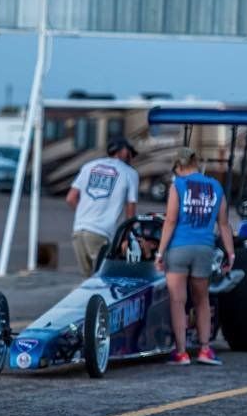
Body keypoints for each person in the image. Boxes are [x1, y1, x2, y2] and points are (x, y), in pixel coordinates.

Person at [156, 148, 232, 366]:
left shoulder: (178, 185)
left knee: (178, 301)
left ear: (179, 167)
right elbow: (224, 223)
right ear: (197, 163)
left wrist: (160, 252)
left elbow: (170, 221)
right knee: (202, 300)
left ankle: (181, 353)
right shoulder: (216, 186)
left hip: (179, 248)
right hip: (204, 249)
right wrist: (230, 252)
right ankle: (205, 349)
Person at [65, 138, 140, 276]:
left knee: (86, 282)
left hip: (78, 231)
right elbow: (130, 213)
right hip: (101, 233)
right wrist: (127, 238)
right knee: (103, 280)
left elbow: (70, 198)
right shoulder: (130, 173)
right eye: (130, 154)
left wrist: (85, 215)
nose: (131, 158)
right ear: (123, 151)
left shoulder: (88, 166)